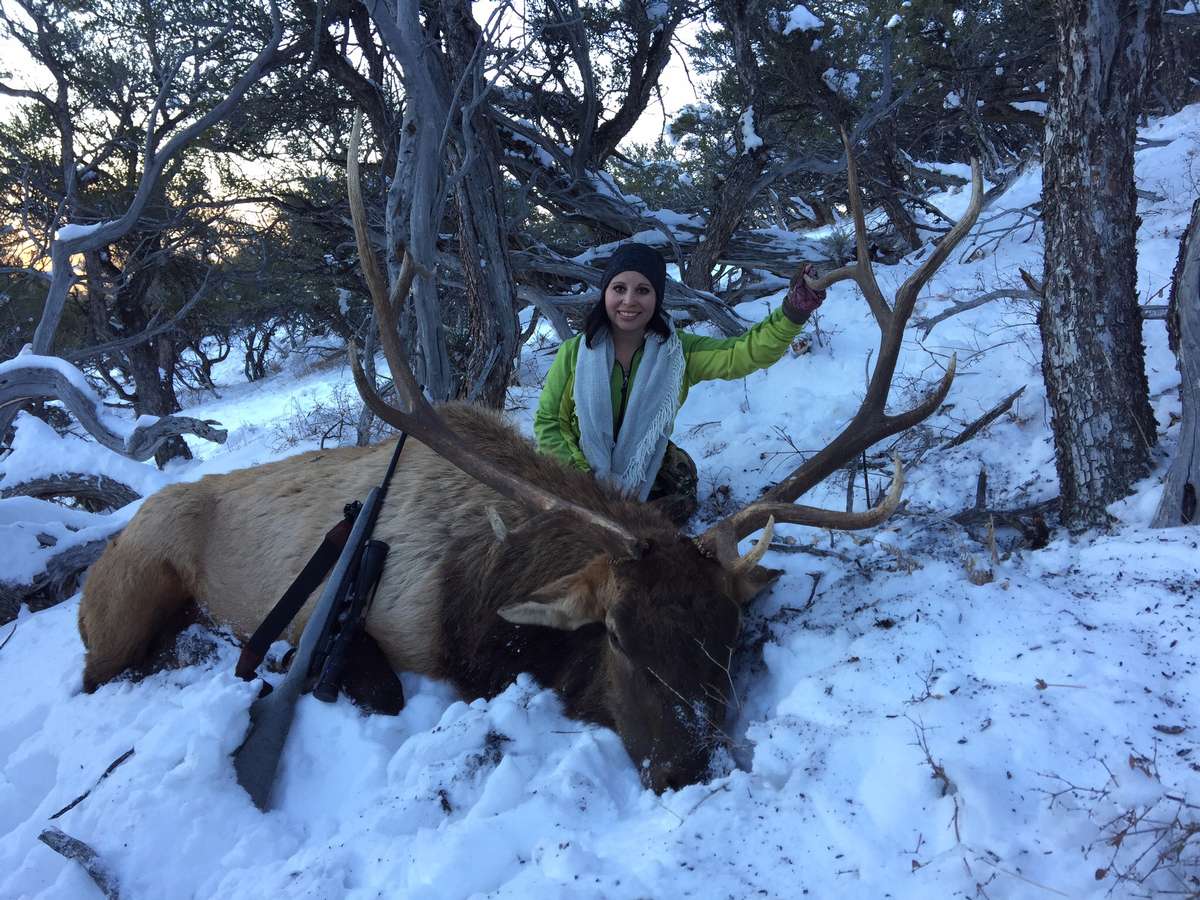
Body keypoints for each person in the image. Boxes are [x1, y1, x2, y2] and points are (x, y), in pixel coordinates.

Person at [534, 242, 826, 524]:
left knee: (679, 486)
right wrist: (584, 480)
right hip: (577, 463)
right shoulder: (574, 353)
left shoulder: (678, 353)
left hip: (642, 462)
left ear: (657, 297)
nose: (629, 301)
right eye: (619, 288)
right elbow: (549, 423)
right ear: (605, 293)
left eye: (643, 290)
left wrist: (793, 311)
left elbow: (745, 353)